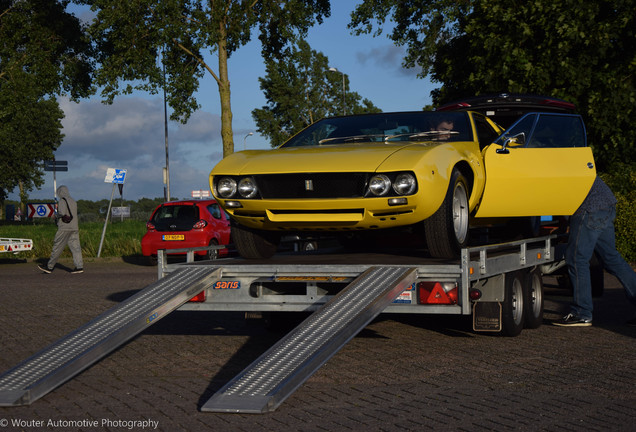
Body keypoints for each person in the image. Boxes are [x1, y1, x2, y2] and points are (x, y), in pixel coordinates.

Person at [554, 176, 636, 326]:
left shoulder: (546, 162)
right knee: (612, 259)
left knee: (577, 259)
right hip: (606, 203)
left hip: (589, 207)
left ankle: (581, 312)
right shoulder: (566, 155)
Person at [38, 185, 84, 274]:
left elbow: (62, 213)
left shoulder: (62, 200)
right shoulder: (73, 201)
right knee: (76, 248)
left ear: (60, 192)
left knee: (57, 247)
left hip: (64, 227)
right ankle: (79, 267)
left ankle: (49, 267)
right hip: (74, 227)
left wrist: (55, 216)